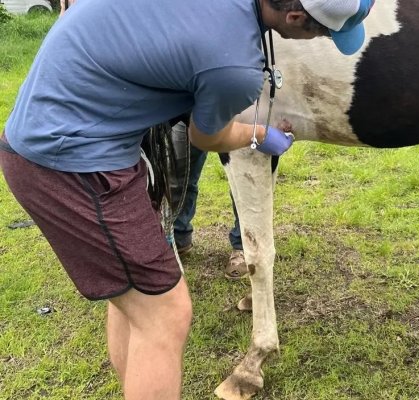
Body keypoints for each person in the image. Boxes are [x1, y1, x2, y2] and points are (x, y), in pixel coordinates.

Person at [0, 0, 374, 398]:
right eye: (322, 32)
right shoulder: (235, 68)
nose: (321, 39)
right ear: (295, 17)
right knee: (164, 314)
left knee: (132, 300)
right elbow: (206, 137)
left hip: (54, 137)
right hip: (74, 164)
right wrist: (261, 135)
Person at [170, 118, 249, 279]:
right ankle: (178, 237)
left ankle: (244, 246)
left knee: (242, 182)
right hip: (188, 107)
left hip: (236, 110)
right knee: (179, 174)